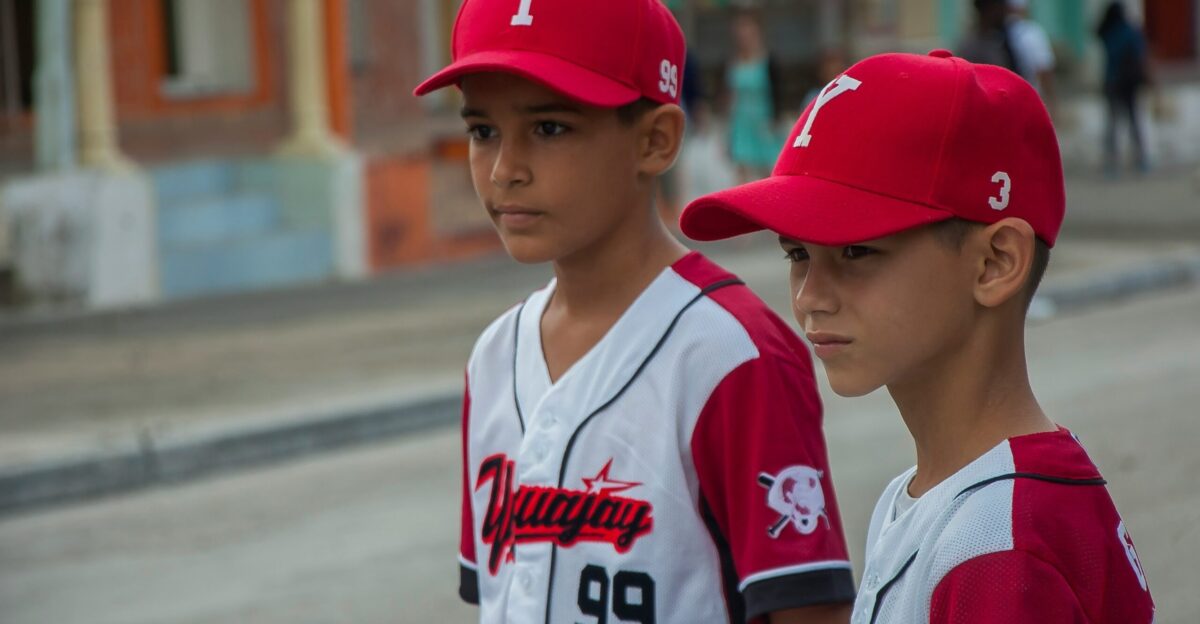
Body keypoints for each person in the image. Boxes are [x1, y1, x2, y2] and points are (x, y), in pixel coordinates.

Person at [413, 0, 855, 622]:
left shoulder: (729, 353)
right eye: (483, 131)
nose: (505, 170)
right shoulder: (494, 356)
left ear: (655, 140)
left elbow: (809, 611)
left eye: (549, 128)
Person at [680, 50, 1156, 623]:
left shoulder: (999, 547)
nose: (810, 295)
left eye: (856, 251)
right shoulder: (932, 496)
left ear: (994, 263)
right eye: (798, 253)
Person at [725, 10, 785, 184]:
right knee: (741, 172)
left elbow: (777, 92)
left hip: (763, 122)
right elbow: (731, 96)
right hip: (741, 122)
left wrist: (776, 121)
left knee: (768, 172)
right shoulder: (733, 62)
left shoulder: (768, 60)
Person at [1097, 1, 1152, 175]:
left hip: (1112, 80)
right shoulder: (1130, 31)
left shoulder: (1107, 32)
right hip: (1129, 83)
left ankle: (1112, 162)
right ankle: (1141, 158)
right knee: (1134, 120)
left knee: (1112, 123)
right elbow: (1141, 55)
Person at [1006, 0, 1057, 112]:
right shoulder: (1032, 33)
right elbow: (1044, 70)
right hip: (1029, 101)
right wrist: (1052, 104)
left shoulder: (991, 33)